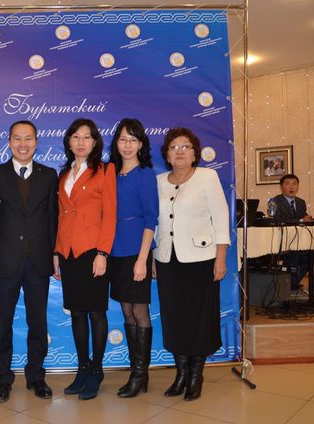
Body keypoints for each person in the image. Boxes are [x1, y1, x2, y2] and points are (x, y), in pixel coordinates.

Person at [153, 127, 229, 401]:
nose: (179, 151)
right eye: (173, 147)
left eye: (185, 146)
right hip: (167, 259)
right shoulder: (159, 181)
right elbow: (155, 222)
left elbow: (221, 217)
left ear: (195, 152)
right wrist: (153, 256)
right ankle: (181, 373)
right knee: (174, 317)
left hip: (201, 259)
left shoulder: (207, 177)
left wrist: (221, 257)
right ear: (167, 155)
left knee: (199, 317)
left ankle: (196, 374)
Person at [0, 121, 58, 403]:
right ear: (9, 141)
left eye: (28, 138)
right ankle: (3, 379)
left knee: (37, 322)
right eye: (17, 138)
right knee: (3, 323)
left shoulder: (49, 175)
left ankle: (36, 377)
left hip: (38, 261)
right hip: (5, 261)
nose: (23, 144)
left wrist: (55, 255)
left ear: (36, 142)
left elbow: (53, 219)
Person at [53, 118, 116, 400]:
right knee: (77, 312)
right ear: (69, 141)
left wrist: (103, 253)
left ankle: (97, 370)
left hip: (93, 252)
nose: (81, 142)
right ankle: (82, 368)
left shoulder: (105, 170)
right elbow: (61, 217)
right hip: (68, 253)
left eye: (87, 137)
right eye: (76, 137)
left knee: (96, 312)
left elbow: (110, 215)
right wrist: (57, 252)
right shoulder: (63, 174)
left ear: (95, 142)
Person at [107, 118, 158, 398]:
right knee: (126, 310)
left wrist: (143, 259)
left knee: (139, 311)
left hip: (137, 250)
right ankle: (136, 371)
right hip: (115, 250)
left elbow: (151, 219)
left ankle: (140, 374)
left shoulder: (145, 173)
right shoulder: (111, 172)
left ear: (141, 144)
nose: (127, 145)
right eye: (123, 140)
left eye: (133, 140)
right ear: (116, 143)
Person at [272, 173, 311, 289]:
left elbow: (303, 217)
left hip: (300, 240)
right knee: (293, 257)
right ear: (281, 187)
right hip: (283, 240)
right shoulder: (274, 201)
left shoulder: (301, 202)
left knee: (310, 258)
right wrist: (301, 220)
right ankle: (288, 285)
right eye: (287, 184)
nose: (291, 187)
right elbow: (277, 220)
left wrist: (308, 219)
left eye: (294, 184)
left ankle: (292, 283)